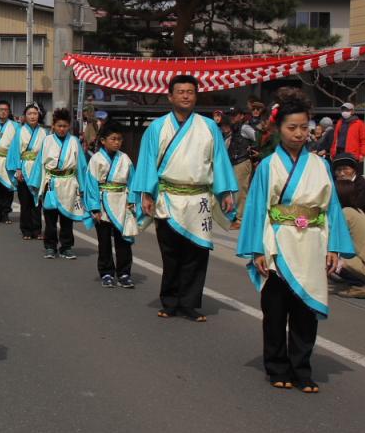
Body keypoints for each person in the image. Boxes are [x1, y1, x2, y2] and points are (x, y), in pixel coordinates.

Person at [236, 89, 354, 393]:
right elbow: (257, 208)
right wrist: (256, 249)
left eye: (304, 127)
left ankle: (302, 368)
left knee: (304, 311)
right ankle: (277, 365)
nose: (299, 133)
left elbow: (332, 209)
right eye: (292, 127)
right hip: (278, 243)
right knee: (275, 311)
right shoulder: (267, 166)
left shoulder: (320, 165)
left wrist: (334, 247)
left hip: (313, 243)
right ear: (279, 129)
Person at [131, 75, 238, 322]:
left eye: (190, 91)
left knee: (197, 253)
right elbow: (146, 163)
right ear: (170, 96)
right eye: (180, 91)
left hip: (199, 198)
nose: (186, 95)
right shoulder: (157, 127)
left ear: (195, 95)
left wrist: (225, 193)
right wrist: (146, 194)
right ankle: (169, 301)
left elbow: (219, 161)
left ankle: (190, 303)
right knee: (170, 253)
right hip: (168, 197)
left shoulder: (209, 127)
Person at [27, 108, 95, 260]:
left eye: (65, 126)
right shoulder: (47, 141)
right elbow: (40, 164)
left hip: (69, 183)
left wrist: (83, 188)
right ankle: (50, 247)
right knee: (50, 218)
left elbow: (81, 166)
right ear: (53, 126)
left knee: (67, 218)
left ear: (69, 126)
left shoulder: (74, 142)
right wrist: (35, 184)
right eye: (59, 126)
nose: (62, 129)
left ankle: (66, 247)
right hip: (51, 182)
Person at [87, 122, 138, 288]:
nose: (117, 142)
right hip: (103, 204)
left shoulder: (125, 159)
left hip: (122, 203)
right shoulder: (96, 159)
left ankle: (124, 273)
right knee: (104, 242)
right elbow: (91, 184)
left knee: (123, 241)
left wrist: (132, 201)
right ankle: (107, 272)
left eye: (119, 139)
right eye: (113, 139)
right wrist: (94, 208)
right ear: (103, 140)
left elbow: (133, 182)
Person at [7, 104, 46, 240]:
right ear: (25, 116)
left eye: (35, 113)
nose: (32, 116)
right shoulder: (20, 131)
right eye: (29, 113)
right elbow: (14, 151)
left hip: (38, 170)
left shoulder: (44, 132)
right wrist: (17, 168)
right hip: (23, 168)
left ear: (39, 115)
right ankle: (26, 230)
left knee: (37, 201)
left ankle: (37, 229)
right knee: (25, 202)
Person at [224, 112, 254, 229]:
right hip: (235, 162)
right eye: (231, 116)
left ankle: (240, 220)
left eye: (234, 115)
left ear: (241, 115)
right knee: (236, 190)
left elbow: (258, 137)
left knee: (241, 191)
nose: (232, 117)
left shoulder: (245, 127)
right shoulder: (234, 129)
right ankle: (237, 218)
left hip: (242, 161)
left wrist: (253, 149)